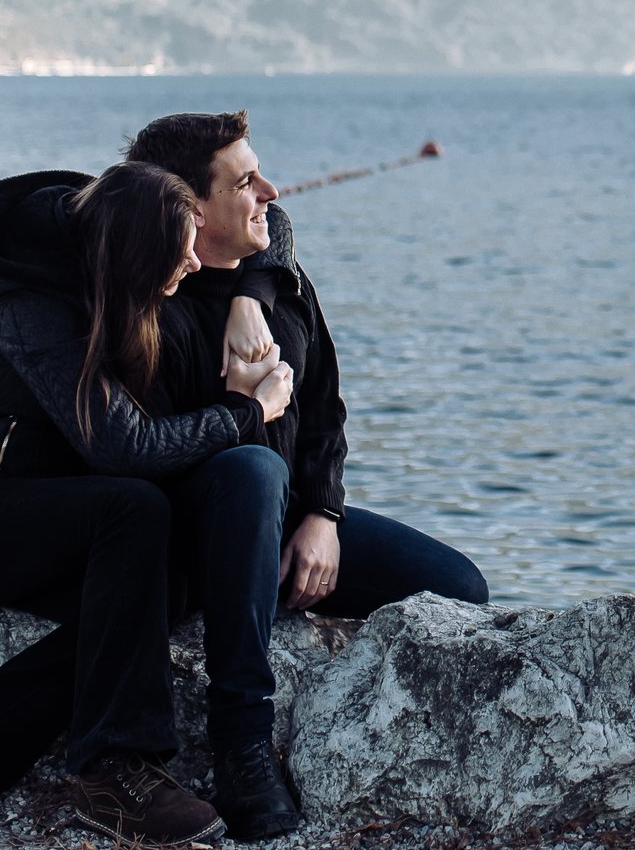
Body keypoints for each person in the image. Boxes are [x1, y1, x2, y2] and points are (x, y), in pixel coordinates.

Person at [0, 161, 294, 846]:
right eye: (180, 255)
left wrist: (250, 291)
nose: (195, 267)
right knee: (135, 510)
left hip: (57, 515)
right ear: (137, 254)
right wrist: (244, 412)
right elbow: (122, 447)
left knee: (161, 583)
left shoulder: (115, 224)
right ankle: (113, 768)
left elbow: (276, 223)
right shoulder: (33, 305)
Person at [121, 111, 489, 831]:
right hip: (199, 536)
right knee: (251, 466)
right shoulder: (146, 307)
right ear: (191, 210)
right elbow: (147, 456)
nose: (271, 187)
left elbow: (324, 409)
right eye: (245, 181)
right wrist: (239, 408)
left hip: (291, 516)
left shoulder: (278, 282)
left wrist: (322, 515)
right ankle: (243, 745)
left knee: (459, 587)